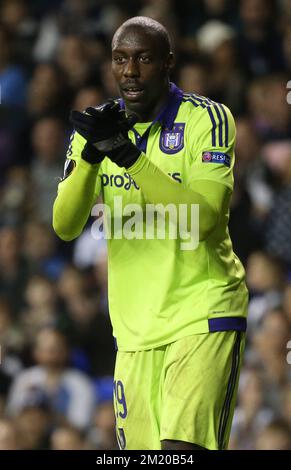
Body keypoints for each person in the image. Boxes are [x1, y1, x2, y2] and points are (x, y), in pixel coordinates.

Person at [53, 16, 248, 450]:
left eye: (143, 58)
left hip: (202, 314)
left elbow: (204, 219)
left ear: (168, 63)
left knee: (181, 455)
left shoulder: (208, 119)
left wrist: (128, 157)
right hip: (135, 334)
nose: (130, 70)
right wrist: (89, 155)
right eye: (120, 59)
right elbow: (65, 227)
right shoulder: (97, 131)